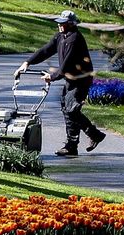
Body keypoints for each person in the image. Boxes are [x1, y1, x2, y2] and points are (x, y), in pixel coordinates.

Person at [17, 11, 106, 157]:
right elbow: (46, 50)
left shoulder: (74, 39)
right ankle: (73, 145)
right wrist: (27, 62)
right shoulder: (61, 36)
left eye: (62, 22)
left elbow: (66, 66)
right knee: (67, 109)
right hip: (71, 79)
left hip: (81, 80)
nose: (59, 25)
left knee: (72, 110)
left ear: (71, 24)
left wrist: (51, 77)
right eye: (59, 22)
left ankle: (93, 135)